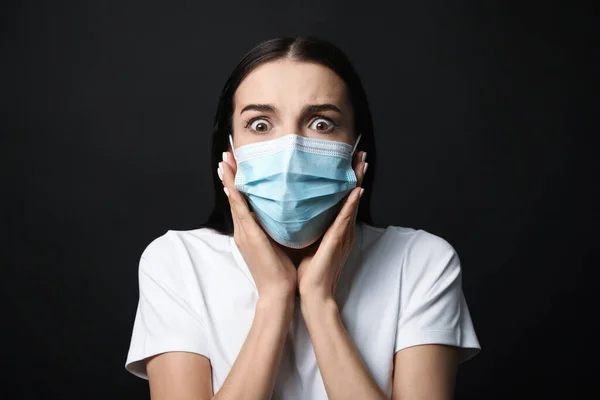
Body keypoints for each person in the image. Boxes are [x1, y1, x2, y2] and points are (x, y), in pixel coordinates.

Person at [124, 36, 481, 400]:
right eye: (261, 125)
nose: (291, 150)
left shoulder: (421, 262)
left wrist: (319, 302)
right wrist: (274, 298)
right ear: (229, 152)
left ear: (358, 149)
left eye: (321, 124)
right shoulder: (177, 263)